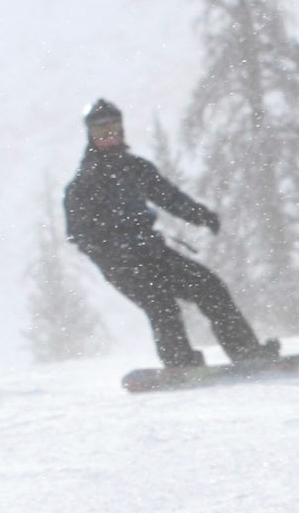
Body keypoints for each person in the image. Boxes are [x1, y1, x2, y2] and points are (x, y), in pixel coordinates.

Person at [63, 99, 278, 369]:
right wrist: (111, 250)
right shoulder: (84, 182)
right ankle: (180, 363)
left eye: (114, 129)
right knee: (161, 304)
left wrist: (200, 214)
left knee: (208, 286)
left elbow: (168, 197)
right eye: (100, 131)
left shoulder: (135, 168)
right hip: (120, 263)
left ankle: (247, 353)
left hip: (152, 251)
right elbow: (78, 233)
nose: (109, 137)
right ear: (90, 136)